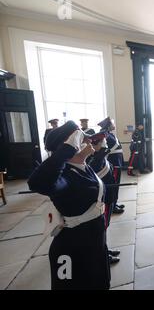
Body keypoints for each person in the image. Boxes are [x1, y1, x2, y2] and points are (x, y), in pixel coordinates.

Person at [27, 121, 110, 290]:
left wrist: (101, 149)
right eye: (81, 138)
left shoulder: (82, 167)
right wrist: (67, 148)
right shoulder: (64, 176)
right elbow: (37, 183)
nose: (88, 141)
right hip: (73, 249)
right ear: (70, 146)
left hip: (94, 243)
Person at [87, 132, 121, 265]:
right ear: (97, 144)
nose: (105, 143)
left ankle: (105, 249)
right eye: (103, 141)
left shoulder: (100, 156)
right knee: (102, 228)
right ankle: (102, 255)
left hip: (109, 197)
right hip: (103, 199)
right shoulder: (95, 159)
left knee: (105, 227)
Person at [98, 117, 124, 214]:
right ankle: (112, 207)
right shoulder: (104, 135)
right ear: (108, 125)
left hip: (117, 162)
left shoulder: (109, 134)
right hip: (114, 163)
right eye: (112, 123)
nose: (114, 125)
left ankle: (114, 203)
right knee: (113, 185)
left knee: (116, 185)